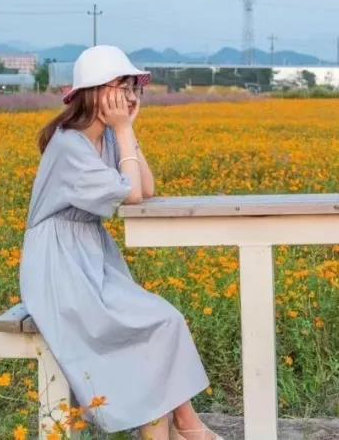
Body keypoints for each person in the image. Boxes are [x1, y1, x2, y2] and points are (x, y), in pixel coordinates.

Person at [20, 45, 220, 440]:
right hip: (58, 267)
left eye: (132, 87)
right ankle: (186, 426)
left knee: (162, 322)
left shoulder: (106, 138)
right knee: (156, 322)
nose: (130, 96)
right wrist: (124, 130)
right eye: (121, 86)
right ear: (94, 92)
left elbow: (146, 187)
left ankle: (183, 424)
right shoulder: (69, 144)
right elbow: (132, 194)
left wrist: (128, 132)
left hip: (89, 257)